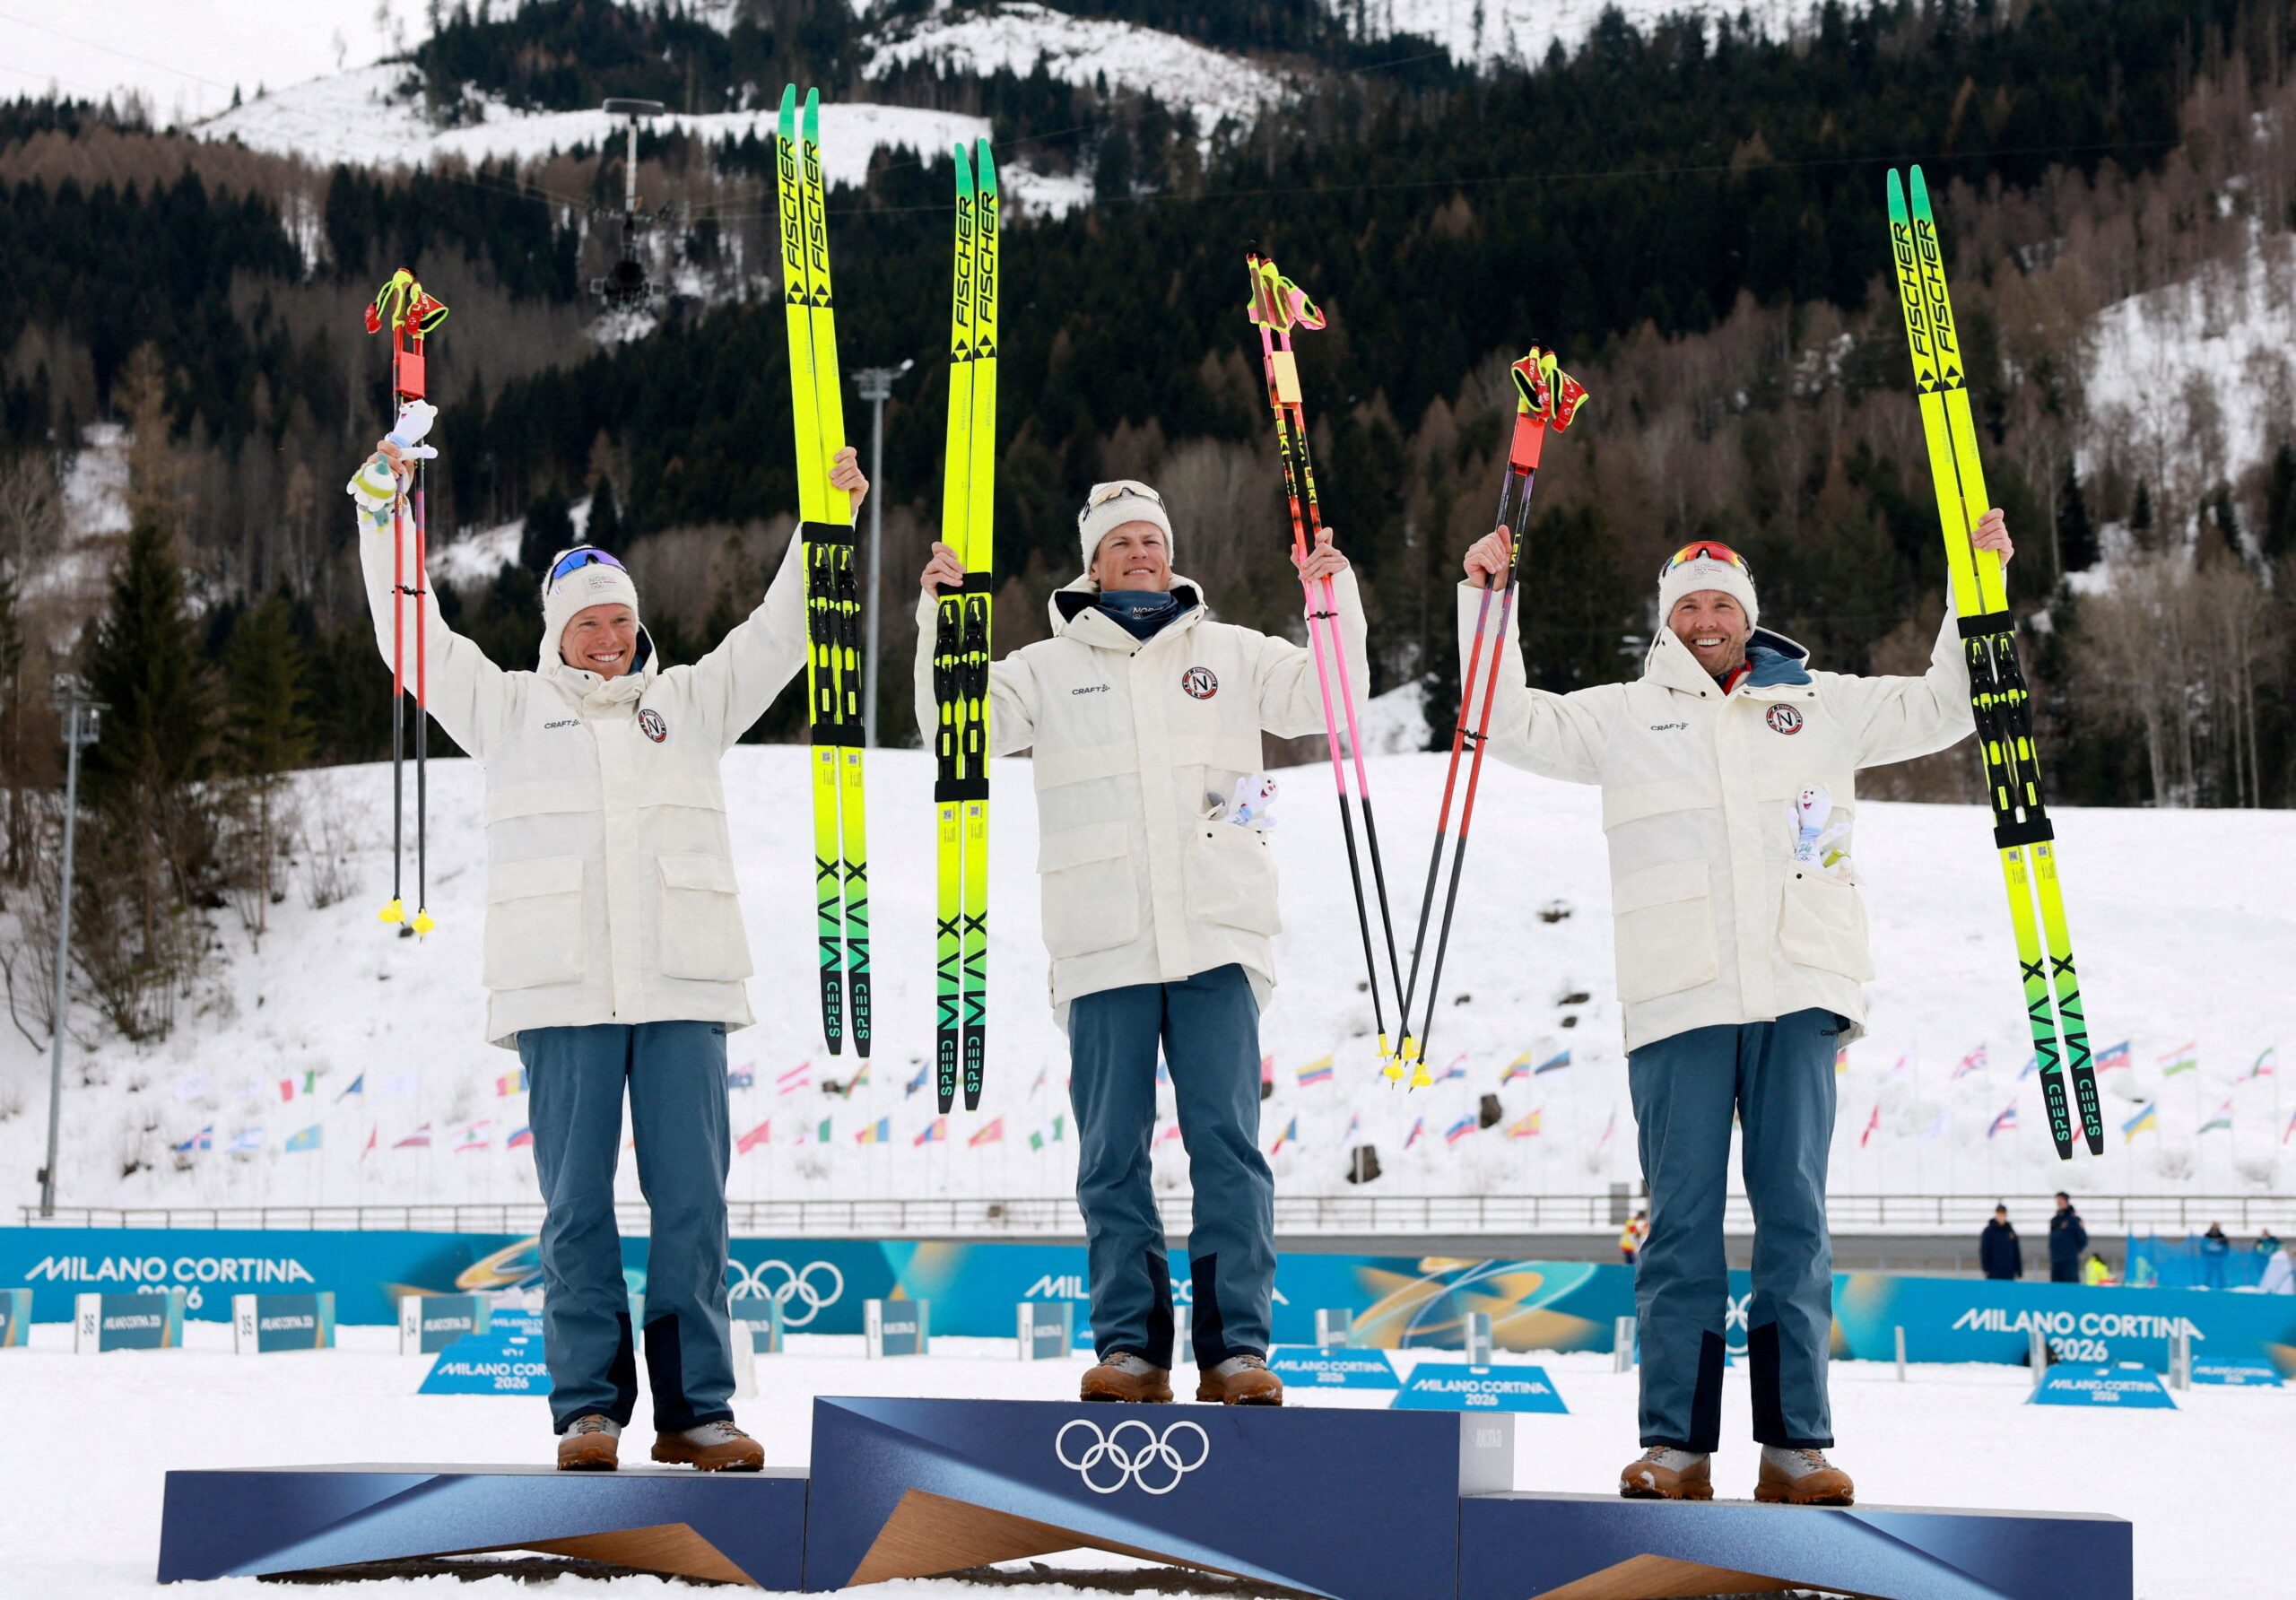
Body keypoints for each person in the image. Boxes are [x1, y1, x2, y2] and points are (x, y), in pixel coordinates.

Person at [1457, 510, 2017, 1509]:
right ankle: (1674, 1446)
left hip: (1801, 987)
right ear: (1664, 623)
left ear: (1747, 614)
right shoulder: (1622, 716)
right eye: (1688, 606)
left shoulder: (1822, 704)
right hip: (1679, 998)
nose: (1706, 619)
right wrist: (1487, 602)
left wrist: (1975, 584)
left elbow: (1948, 701)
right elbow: (1504, 718)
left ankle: (1795, 1445)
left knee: (1794, 1219)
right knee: (1679, 1225)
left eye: (1721, 603)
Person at [351, 426, 868, 1471]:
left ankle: (694, 1410)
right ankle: (588, 1409)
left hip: (682, 985)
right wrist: (382, 510)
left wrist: (829, 522)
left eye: (621, 621)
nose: (607, 638)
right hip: (562, 992)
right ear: (556, 632)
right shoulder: (504, 708)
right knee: (575, 1209)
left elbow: (781, 632)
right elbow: (413, 638)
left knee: (693, 1204)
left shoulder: (687, 704)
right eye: (588, 623)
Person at [916, 480, 1362, 1407]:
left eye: (1150, 539)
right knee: (1110, 1156)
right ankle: (1130, 1348)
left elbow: (1335, 697)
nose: (1138, 554)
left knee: (1228, 1150)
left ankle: (1237, 1346)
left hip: (1217, 939)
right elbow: (954, 726)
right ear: (1092, 562)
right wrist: (940, 618)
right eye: (1118, 542)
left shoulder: (1231, 653)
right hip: (1102, 946)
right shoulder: (1043, 668)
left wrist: (1332, 595)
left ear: (1171, 552)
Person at [2049, 1192, 2088, 1284]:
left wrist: (2076, 1251)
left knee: (2070, 1286)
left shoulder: (2074, 1220)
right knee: (2056, 1289)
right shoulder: (2055, 1220)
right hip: (2056, 1260)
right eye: (2057, 1200)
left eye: (2061, 1200)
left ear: (2066, 1201)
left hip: (2069, 1261)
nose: (2059, 1202)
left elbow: (2083, 1239)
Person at [1979, 1204, 2022, 1281]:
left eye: (2003, 1214)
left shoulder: (2010, 1232)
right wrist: (1986, 1268)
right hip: (1994, 1272)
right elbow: (1984, 1250)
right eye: (1999, 1214)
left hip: (2009, 1272)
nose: (2001, 1216)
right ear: (1996, 1215)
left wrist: (2018, 1269)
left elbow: (2016, 1251)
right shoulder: (1989, 1231)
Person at [2200, 1221, 2231, 1290]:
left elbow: (2226, 1247)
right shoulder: (2207, 1235)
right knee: (2208, 1273)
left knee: (2220, 1273)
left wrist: (2223, 1254)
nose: (2215, 1227)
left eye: (2216, 1225)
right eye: (2214, 1225)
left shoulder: (2222, 1236)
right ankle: (2206, 1286)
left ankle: (2222, 1287)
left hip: (2219, 1258)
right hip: (2209, 1258)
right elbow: (2203, 1246)